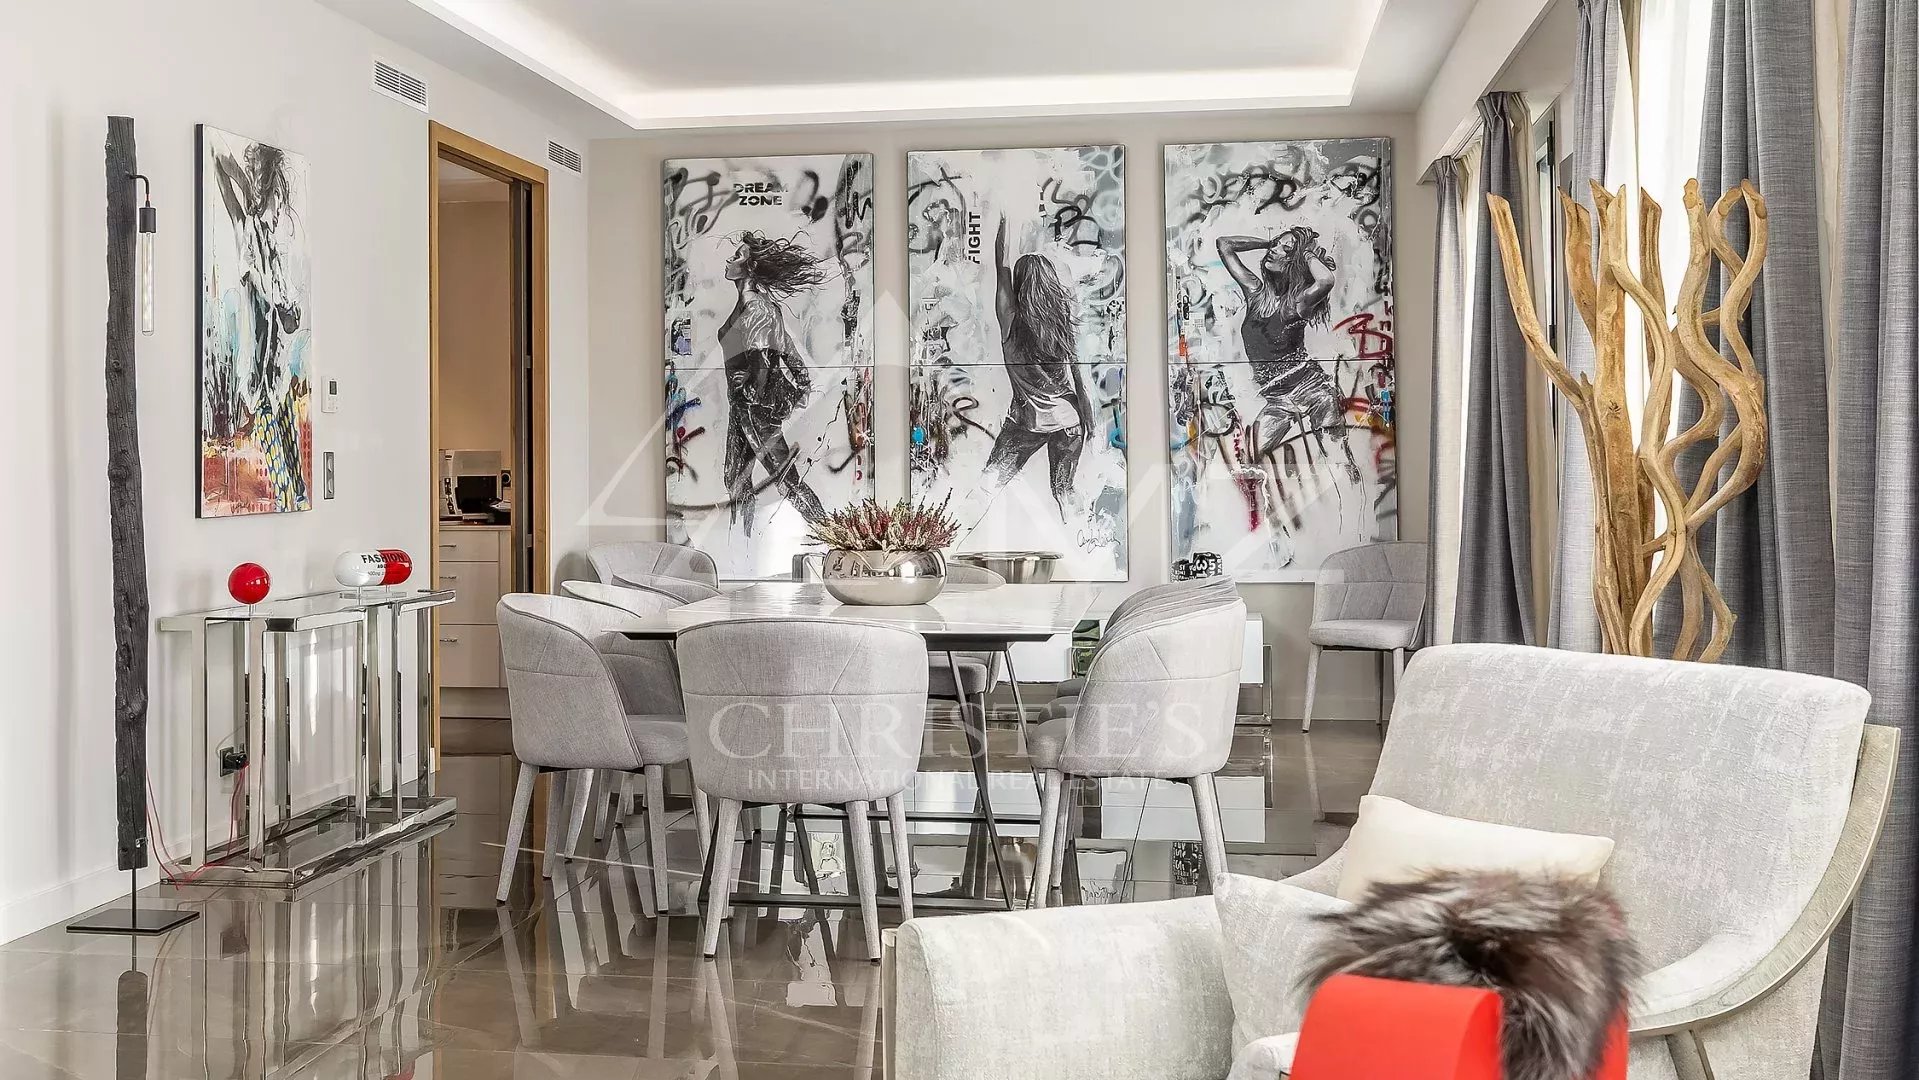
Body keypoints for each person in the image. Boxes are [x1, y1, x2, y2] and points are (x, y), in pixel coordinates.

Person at [1216, 226, 1363, 486]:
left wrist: (1304, 253)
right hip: (1277, 400)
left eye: (1285, 249)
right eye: (1276, 244)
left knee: (1337, 457)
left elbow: (1325, 281)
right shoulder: (1255, 293)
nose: (1275, 250)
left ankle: (1356, 498)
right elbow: (1224, 244)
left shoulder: (1298, 302)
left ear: (1294, 263)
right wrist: (1269, 243)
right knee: (1248, 458)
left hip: (1312, 390)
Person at [975, 216, 1092, 518]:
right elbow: (1079, 378)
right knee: (1064, 491)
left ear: (1019, 286)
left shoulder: (1010, 323)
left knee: (988, 484)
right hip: (1069, 420)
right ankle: (1081, 534)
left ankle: (959, 534)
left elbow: (1001, 264)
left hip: (1028, 421)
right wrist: (1088, 419)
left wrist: (1004, 218)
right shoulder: (1060, 324)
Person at [717, 231, 830, 532]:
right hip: (742, 407)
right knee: (735, 477)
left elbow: (762, 360)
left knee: (785, 479)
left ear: (750, 268)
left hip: (752, 408)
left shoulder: (756, 309)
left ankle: (830, 533)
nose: (729, 259)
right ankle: (743, 542)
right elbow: (788, 349)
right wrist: (801, 379)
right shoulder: (756, 305)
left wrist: (751, 394)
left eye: (737, 256)